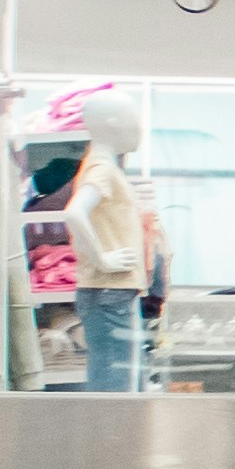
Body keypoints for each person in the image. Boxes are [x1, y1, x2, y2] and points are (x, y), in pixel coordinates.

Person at [64, 103, 163, 388]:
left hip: (112, 290)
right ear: (111, 122)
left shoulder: (102, 165)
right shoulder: (101, 168)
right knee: (115, 381)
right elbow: (74, 212)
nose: (139, 129)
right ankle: (111, 433)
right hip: (109, 289)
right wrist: (103, 260)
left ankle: (112, 431)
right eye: (134, 119)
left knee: (115, 376)